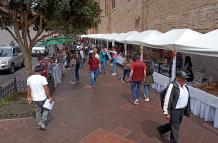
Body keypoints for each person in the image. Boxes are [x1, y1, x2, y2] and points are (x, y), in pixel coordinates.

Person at [157, 70, 191, 143]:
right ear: (177, 78)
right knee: (175, 129)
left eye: (185, 78)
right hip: (175, 111)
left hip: (182, 111)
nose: (184, 80)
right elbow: (167, 99)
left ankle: (161, 129)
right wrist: (166, 112)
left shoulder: (185, 86)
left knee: (174, 124)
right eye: (182, 78)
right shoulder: (172, 86)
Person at [27, 65, 53, 130]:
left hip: (35, 98)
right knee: (46, 109)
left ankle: (39, 124)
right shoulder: (43, 78)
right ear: (41, 71)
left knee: (38, 111)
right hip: (43, 98)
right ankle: (42, 122)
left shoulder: (29, 78)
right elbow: (46, 89)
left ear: (35, 71)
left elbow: (29, 89)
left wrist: (29, 97)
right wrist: (49, 97)